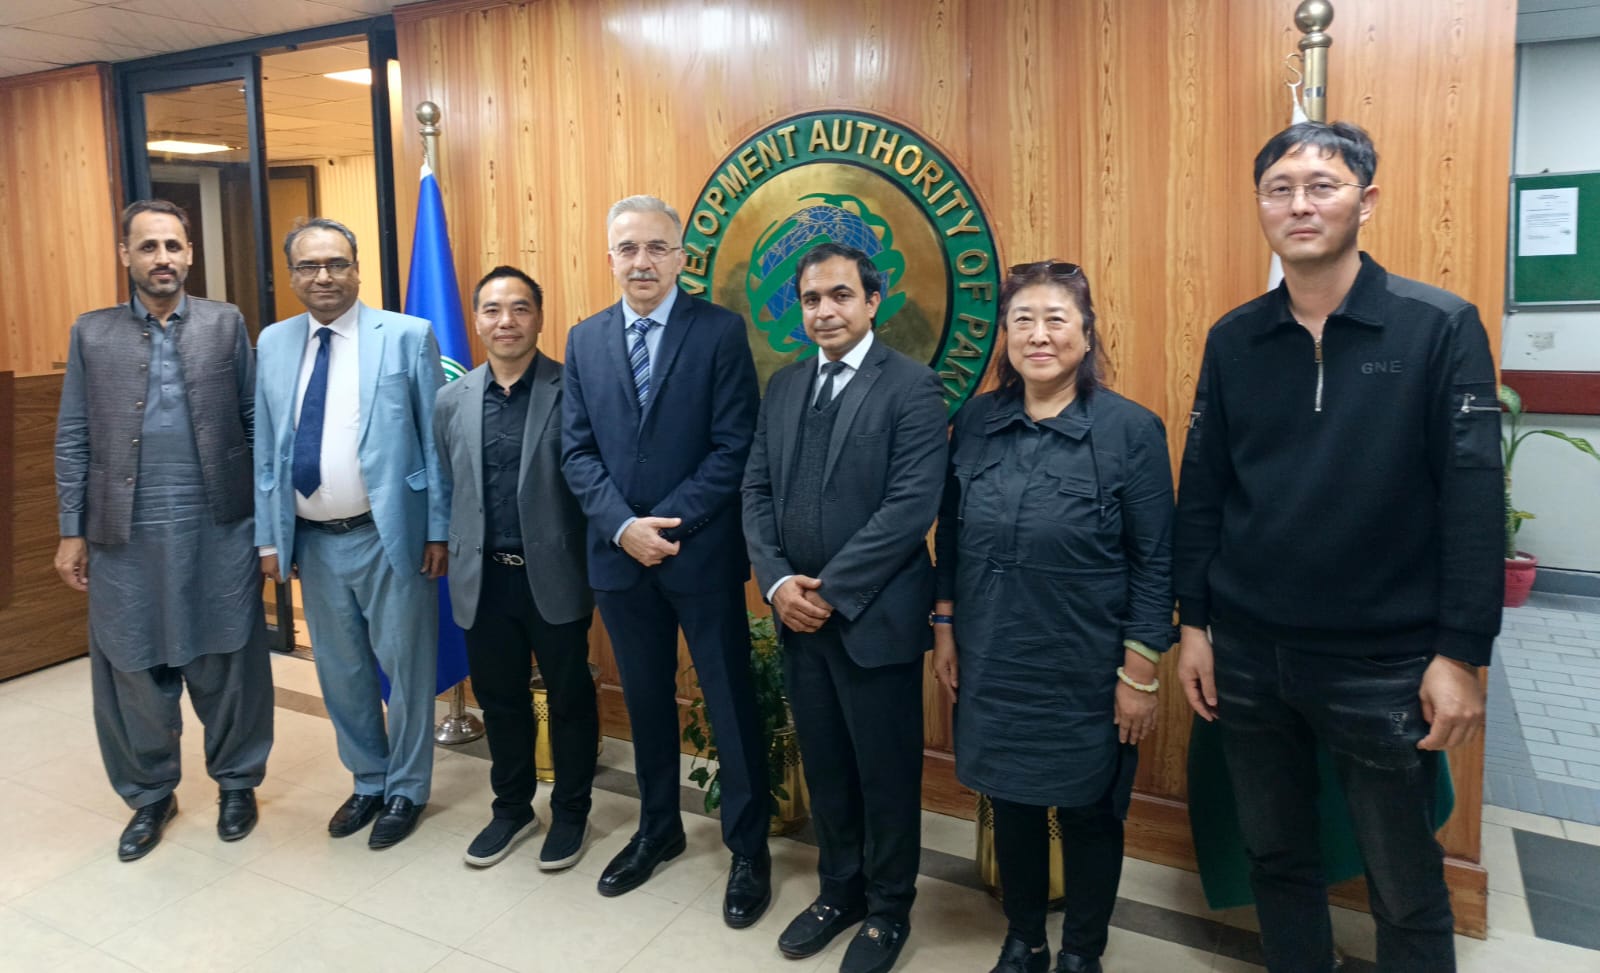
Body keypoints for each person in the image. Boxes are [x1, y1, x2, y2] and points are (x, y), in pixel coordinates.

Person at [1174, 121, 1502, 972]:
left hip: (1383, 659)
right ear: (1260, 207)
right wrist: (1194, 625)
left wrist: (1460, 653)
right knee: (1277, 857)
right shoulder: (1234, 337)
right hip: (1248, 654)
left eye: (1322, 185)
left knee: (1404, 881)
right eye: (1279, 189)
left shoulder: (1437, 326)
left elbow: (1473, 500)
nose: (1300, 204)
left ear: (1367, 200)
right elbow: (1203, 490)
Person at [931, 260, 1174, 973]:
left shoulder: (1131, 430)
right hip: (995, 655)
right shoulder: (977, 421)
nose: (1039, 335)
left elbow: (1156, 561)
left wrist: (1140, 674)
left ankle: (1081, 951)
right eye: (1023, 321)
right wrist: (944, 628)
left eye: (1056, 319)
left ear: (1086, 334)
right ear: (1005, 335)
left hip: (1087, 665)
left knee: (1090, 813)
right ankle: (1025, 939)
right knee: (1010, 802)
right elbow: (950, 533)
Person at [561, 195, 771, 925]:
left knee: (729, 704)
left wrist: (665, 526)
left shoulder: (720, 331)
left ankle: (748, 848)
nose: (642, 261)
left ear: (682, 257)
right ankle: (658, 828)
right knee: (646, 702)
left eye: (657, 247)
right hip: (620, 559)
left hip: (700, 554)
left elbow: (734, 445)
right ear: (610, 258)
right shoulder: (584, 340)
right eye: (628, 249)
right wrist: (624, 528)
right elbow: (576, 452)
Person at [743, 242, 948, 973]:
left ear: (872, 301)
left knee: (884, 773)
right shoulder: (784, 386)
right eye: (811, 299)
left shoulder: (913, 387)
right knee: (826, 764)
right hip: (798, 619)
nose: (824, 311)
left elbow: (909, 508)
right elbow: (756, 490)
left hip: (874, 620)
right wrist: (778, 585)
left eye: (840, 295)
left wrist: (827, 592)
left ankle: (889, 909)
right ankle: (840, 891)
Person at [54, 199, 274, 862]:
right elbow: (73, 435)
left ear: (190, 254)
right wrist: (70, 529)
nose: (163, 258)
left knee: (227, 657)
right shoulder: (92, 334)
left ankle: (237, 782)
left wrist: (266, 525)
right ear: (125, 254)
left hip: (218, 525)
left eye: (173, 245)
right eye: (148, 246)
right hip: (123, 532)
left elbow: (255, 423)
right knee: (132, 662)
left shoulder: (225, 323)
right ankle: (150, 794)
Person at [254, 218, 448, 850]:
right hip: (313, 541)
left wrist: (438, 529)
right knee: (341, 673)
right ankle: (369, 779)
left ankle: (407, 789)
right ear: (291, 276)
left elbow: (434, 443)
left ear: (357, 268)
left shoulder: (407, 335)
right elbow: (266, 449)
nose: (324, 277)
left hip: (390, 537)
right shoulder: (274, 343)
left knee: (407, 670)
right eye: (309, 266)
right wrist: (269, 538)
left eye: (336, 263)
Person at [434, 265, 598, 869]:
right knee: (499, 699)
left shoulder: (574, 390)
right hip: (482, 579)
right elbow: (446, 482)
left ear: (540, 318)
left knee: (570, 698)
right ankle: (511, 808)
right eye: (493, 309)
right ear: (477, 321)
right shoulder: (450, 400)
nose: (506, 321)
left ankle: (572, 812)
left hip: (554, 575)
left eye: (520, 308)